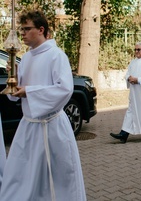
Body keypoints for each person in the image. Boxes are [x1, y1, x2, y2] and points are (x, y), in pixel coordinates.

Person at [0, 10, 86, 200]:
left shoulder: (57, 56)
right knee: (21, 176)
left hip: (52, 126)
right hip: (29, 126)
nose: (22, 33)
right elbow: (15, 96)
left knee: (58, 179)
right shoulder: (27, 58)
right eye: (21, 29)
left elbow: (64, 89)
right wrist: (14, 78)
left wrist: (29, 91)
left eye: (26, 29)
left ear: (41, 30)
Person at [110, 42, 141, 143]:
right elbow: (128, 73)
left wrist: (138, 80)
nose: (136, 51)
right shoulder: (133, 62)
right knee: (131, 111)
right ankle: (123, 134)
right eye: (135, 50)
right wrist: (129, 78)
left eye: (138, 49)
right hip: (135, 92)